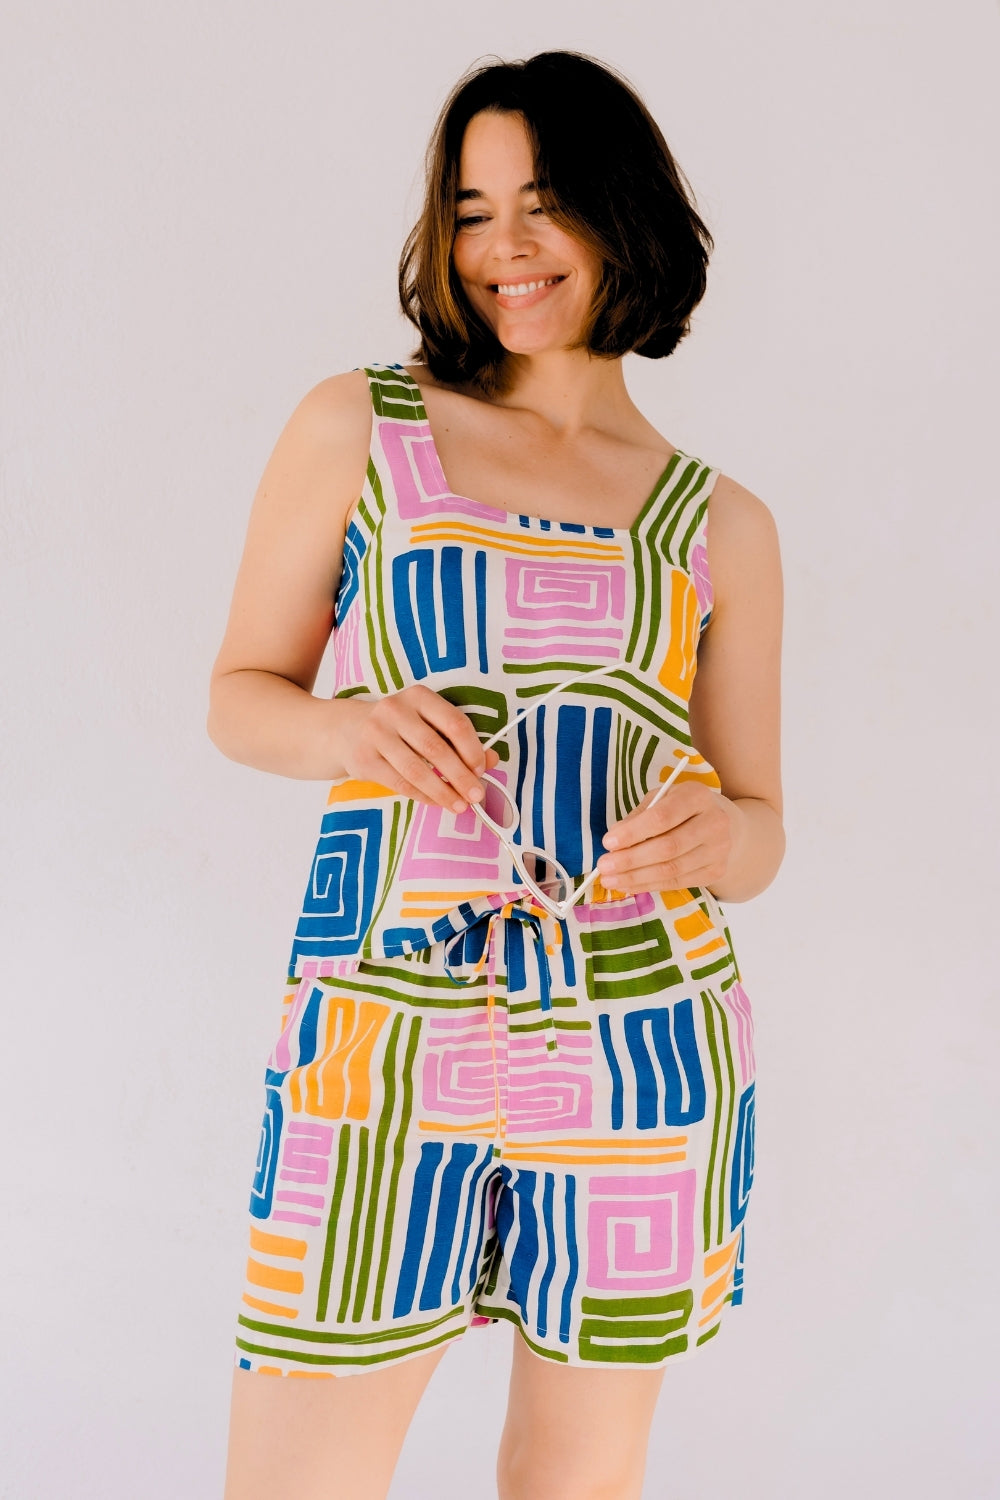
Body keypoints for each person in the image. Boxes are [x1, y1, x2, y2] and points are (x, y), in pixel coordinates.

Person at [208, 49, 784, 1500]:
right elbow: (239, 698)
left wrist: (719, 833)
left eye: (540, 203)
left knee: (579, 1481)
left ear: (624, 216)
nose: (502, 249)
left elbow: (764, 826)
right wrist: (345, 732)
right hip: (385, 1027)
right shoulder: (365, 424)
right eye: (469, 211)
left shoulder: (721, 521)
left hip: (638, 1031)